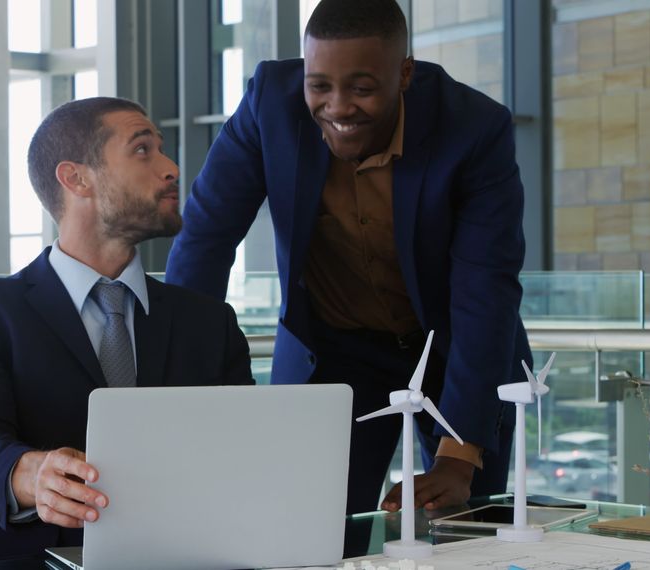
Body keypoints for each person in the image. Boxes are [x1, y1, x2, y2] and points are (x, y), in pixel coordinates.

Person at [165, 0, 531, 517]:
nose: (338, 107)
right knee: (310, 527)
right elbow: (205, 239)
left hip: (454, 351)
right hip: (333, 353)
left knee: (468, 529)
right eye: (320, 86)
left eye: (361, 88)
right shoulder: (270, 102)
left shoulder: (473, 128)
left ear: (403, 74)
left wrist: (459, 455)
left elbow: (486, 291)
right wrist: (179, 384)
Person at [0, 97, 254, 562]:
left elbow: (247, 451)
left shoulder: (210, 321)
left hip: (189, 555)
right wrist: (33, 474)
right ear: (76, 178)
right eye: (143, 150)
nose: (170, 168)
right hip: (35, 558)